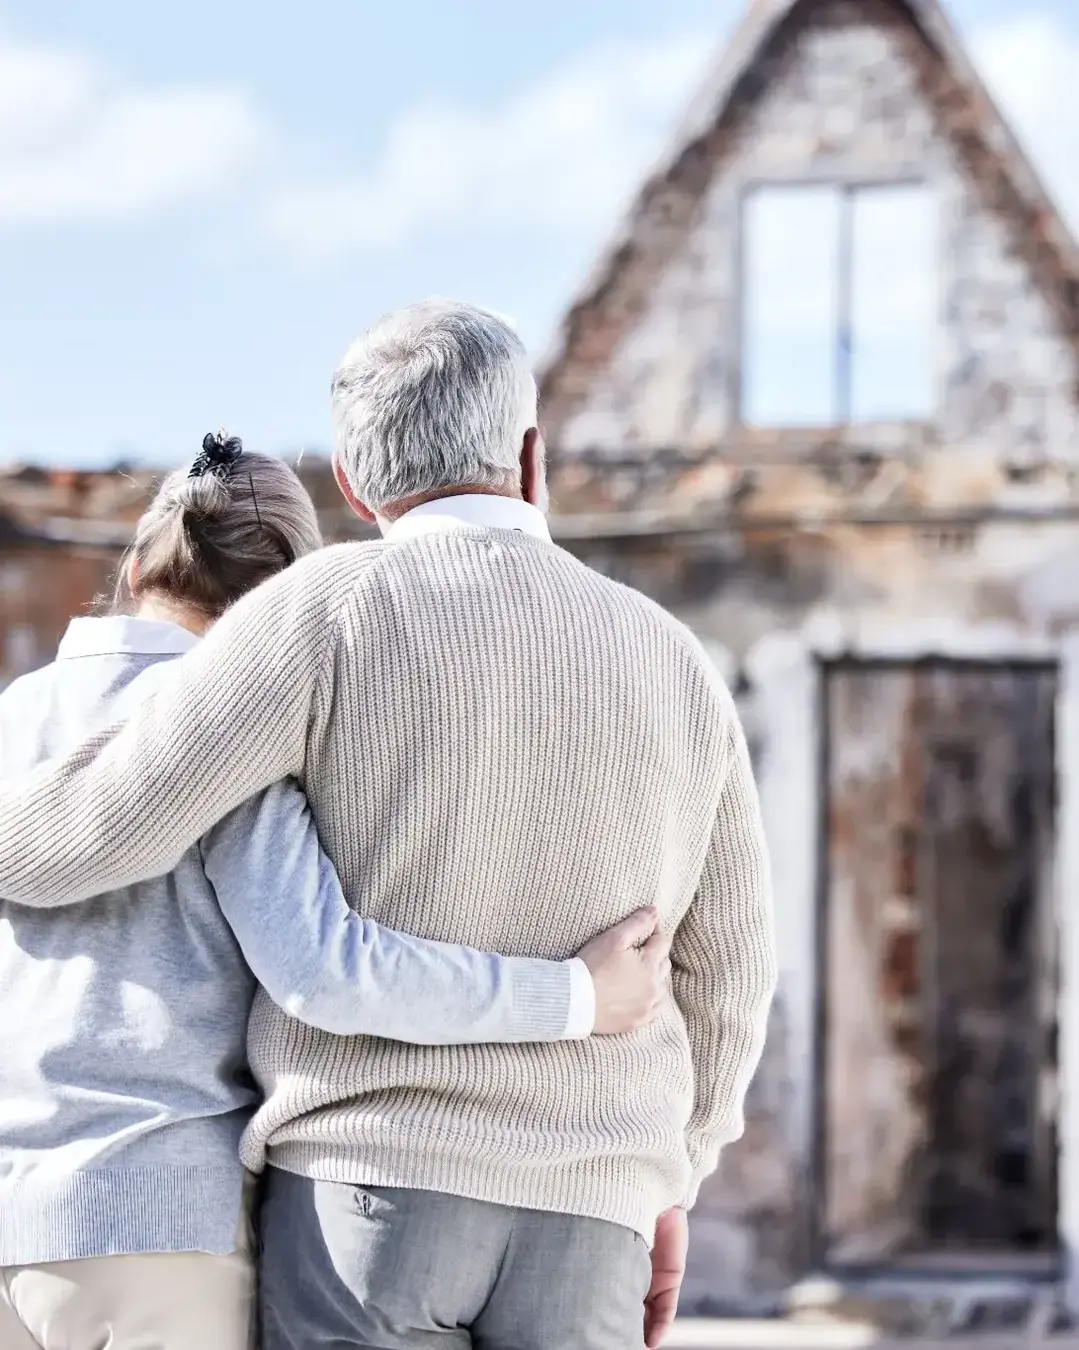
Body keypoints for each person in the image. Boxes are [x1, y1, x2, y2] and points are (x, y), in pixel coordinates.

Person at [0, 301, 777, 1350]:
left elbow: (74, 840)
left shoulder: (318, 611)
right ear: (531, 457)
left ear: (357, 488)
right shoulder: (674, 658)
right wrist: (675, 1172)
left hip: (366, 1196)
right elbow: (728, 975)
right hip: (597, 1208)